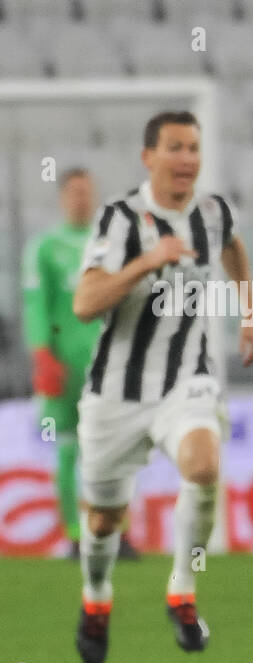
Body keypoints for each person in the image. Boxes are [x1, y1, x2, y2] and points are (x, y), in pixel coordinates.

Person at [70, 110, 253, 663]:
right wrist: (147, 262)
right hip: (117, 392)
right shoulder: (120, 220)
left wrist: (251, 314)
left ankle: (181, 590)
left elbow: (233, 246)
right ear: (148, 157)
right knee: (104, 519)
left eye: (194, 148)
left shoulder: (211, 212)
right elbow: (85, 304)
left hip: (188, 379)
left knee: (203, 466)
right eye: (175, 148)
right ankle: (97, 598)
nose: (187, 159)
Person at [21, 169, 140, 560]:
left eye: (86, 192)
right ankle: (75, 536)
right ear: (62, 197)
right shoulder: (45, 247)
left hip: (108, 363)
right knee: (69, 450)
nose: (80, 199)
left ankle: (115, 533)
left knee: (113, 451)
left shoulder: (111, 245)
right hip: (63, 367)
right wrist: (41, 355)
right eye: (73, 192)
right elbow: (36, 305)